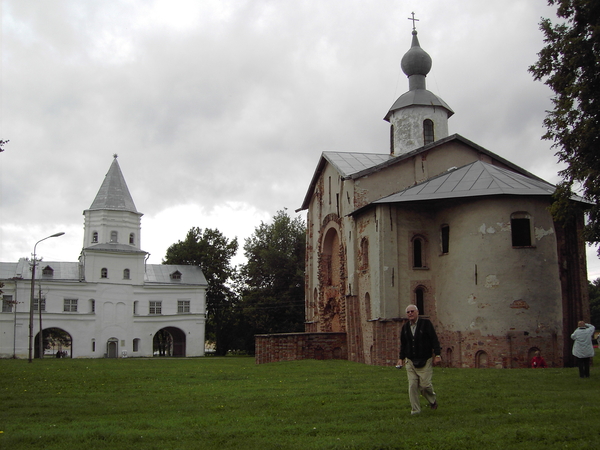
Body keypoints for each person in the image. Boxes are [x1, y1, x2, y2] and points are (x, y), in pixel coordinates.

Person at [396, 304, 442, 415]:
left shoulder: (426, 324)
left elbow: (434, 340)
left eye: (412, 311)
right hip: (410, 361)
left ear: (417, 312)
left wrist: (437, 354)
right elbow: (404, 344)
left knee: (425, 386)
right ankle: (415, 411)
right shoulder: (405, 327)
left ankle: (432, 401)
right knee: (412, 386)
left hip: (425, 360)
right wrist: (401, 358)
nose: (410, 313)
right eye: (408, 312)